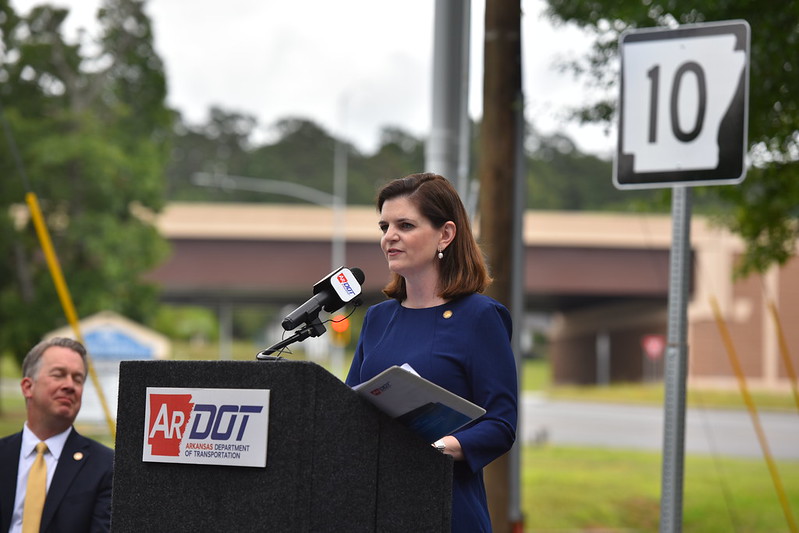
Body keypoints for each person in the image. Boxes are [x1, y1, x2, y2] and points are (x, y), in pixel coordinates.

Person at [345, 172, 518, 532]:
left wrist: (438, 448)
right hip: (374, 510)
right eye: (384, 226)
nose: (389, 237)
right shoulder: (377, 318)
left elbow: (501, 423)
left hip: (447, 509)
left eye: (405, 225)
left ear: (446, 234)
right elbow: (347, 410)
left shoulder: (480, 317)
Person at [0, 337, 114, 533]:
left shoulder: (106, 467)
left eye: (77, 379)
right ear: (28, 387)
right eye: (59, 375)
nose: (69, 385)